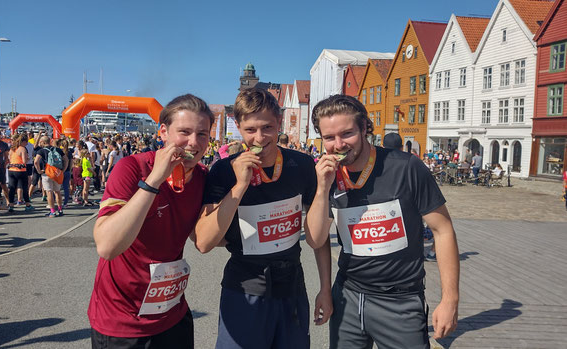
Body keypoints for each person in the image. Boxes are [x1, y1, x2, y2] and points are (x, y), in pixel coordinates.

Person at [305, 95, 460, 349]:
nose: (339, 144)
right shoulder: (325, 174)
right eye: (329, 138)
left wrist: (450, 299)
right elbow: (315, 239)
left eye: (347, 133)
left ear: (365, 127)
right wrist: (322, 188)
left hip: (400, 301)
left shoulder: (406, 167)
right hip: (348, 296)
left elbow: (442, 230)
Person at [194, 88, 330, 349]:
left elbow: (319, 236)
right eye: (250, 130)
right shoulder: (223, 171)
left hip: (292, 289)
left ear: (279, 122)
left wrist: (325, 288)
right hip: (244, 290)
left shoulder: (302, 165)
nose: (259, 138)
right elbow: (203, 242)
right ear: (237, 126)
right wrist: (240, 185)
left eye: (267, 127)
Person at [88, 94, 214, 349]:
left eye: (202, 134)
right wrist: (154, 181)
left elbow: (204, 241)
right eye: (184, 132)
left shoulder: (202, 176)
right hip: (122, 322)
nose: (193, 143)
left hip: (172, 313)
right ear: (164, 132)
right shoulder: (132, 168)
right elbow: (107, 247)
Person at [34, 136, 67, 217]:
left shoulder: (41, 151)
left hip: (47, 173)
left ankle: (52, 211)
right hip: (57, 173)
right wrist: (63, 170)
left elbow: (36, 162)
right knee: (57, 191)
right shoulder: (58, 149)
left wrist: (39, 171)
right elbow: (66, 159)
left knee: (49, 192)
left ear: (42, 142)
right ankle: (60, 209)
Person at [7, 134, 33, 212]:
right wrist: (28, 158)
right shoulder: (22, 149)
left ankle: (11, 205)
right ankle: (27, 204)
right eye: (26, 142)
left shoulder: (12, 149)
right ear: (23, 142)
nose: (27, 144)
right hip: (21, 170)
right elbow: (24, 161)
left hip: (11, 169)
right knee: (24, 187)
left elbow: (9, 159)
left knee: (11, 188)